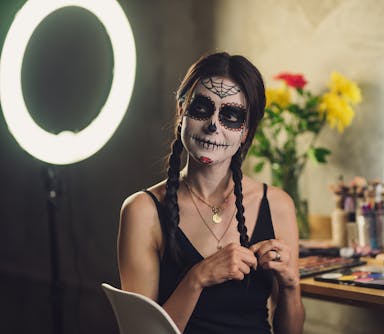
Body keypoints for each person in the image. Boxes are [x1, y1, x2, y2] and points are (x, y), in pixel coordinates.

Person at [118, 52, 304, 333]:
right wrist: (197, 278)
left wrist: (290, 286)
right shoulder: (142, 211)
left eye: (231, 115)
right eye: (202, 108)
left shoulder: (277, 205)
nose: (213, 125)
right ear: (181, 111)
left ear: (246, 131)